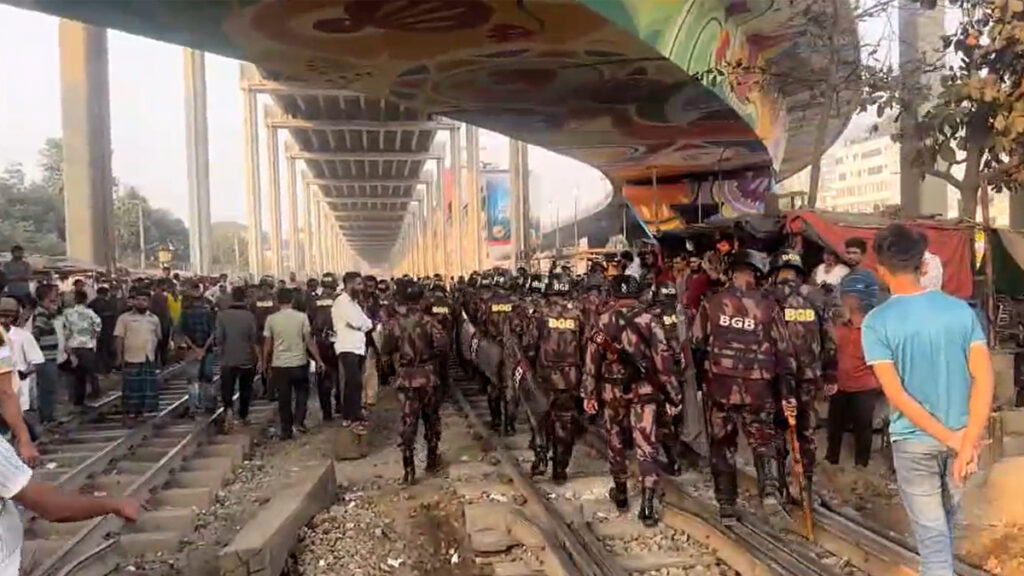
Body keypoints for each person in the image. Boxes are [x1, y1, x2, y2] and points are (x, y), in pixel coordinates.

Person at [862, 224, 993, 576]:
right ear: (922, 265)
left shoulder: (876, 323)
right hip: (962, 439)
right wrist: (967, 440)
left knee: (934, 540)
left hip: (915, 443)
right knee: (945, 527)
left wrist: (954, 440)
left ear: (881, 270)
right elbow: (984, 377)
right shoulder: (960, 312)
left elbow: (896, 394)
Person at [692, 250, 796, 523]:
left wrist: (702, 380)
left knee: (722, 443)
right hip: (758, 386)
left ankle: (726, 504)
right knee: (763, 438)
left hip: (720, 385)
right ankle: (770, 490)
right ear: (758, 274)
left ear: (730, 271)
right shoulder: (769, 307)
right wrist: (787, 391)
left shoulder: (712, 302)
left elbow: (696, 343)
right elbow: (784, 352)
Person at [584, 274, 682, 527]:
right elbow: (663, 361)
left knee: (615, 441)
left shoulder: (602, 321)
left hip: (612, 391)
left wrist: (589, 393)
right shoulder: (650, 320)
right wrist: (673, 395)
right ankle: (647, 505)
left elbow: (592, 361)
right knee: (646, 445)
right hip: (645, 391)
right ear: (639, 294)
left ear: (613, 294)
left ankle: (620, 494)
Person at [766, 250, 836, 502]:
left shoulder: (768, 297)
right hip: (809, 378)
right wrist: (831, 373)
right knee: (806, 432)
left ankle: (778, 487)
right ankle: (803, 485)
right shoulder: (816, 297)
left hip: (775, 378)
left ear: (775, 273)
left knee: (775, 431)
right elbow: (829, 338)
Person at [380, 279, 448, 484]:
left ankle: (408, 469)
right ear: (421, 299)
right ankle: (432, 460)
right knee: (431, 419)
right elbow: (443, 347)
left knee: (408, 422)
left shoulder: (394, 324)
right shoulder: (430, 322)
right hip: (428, 377)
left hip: (406, 378)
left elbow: (385, 352)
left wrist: (392, 373)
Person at [524, 272, 585, 484]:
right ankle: (560, 468)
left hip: (544, 376)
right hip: (571, 377)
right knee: (565, 422)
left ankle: (540, 457)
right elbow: (585, 346)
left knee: (539, 418)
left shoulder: (540, 314)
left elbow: (530, 346)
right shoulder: (577, 314)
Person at [826, 270, 881, 468]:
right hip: (839, 385)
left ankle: (861, 466)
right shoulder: (838, 325)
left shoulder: (874, 328)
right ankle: (831, 463)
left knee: (863, 428)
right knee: (834, 427)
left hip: (865, 387)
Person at [263, 288, 325, 440]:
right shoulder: (302, 317)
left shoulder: (271, 319)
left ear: (277, 301)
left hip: (279, 365)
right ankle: (299, 422)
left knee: (283, 398)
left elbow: (268, 345)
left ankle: (286, 430)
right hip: (299, 362)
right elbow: (309, 341)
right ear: (292, 300)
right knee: (302, 394)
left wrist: (264, 363)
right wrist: (318, 360)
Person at [331, 272, 373, 431]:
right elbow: (357, 323)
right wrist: (364, 325)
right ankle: (354, 416)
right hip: (347, 347)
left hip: (358, 347)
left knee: (353, 383)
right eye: (359, 284)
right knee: (354, 382)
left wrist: (365, 325)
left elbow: (367, 322)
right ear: (349, 285)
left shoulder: (354, 304)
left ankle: (349, 415)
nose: (362, 288)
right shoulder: (342, 302)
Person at [114, 289, 163, 423]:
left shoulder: (154, 319)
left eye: (144, 300)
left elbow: (158, 338)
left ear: (149, 303)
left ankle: (143, 413)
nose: (141, 303)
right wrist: (119, 356)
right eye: (138, 300)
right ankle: (130, 414)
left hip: (148, 358)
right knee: (131, 388)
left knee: (146, 388)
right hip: (131, 357)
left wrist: (157, 358)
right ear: (133, 301)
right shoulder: (124, 318)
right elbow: (119, 338)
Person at [215, 287, 260, 430]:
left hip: (228, 358)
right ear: (244, 298)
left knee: (227, 387)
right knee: (245, 388)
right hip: (246, 357)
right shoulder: (249, 316)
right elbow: (253, 338)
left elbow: (219, 338)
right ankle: (243, 415)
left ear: (232, 298)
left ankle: (228, 409)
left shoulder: (222, 315)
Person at [1, 298, 44, 443]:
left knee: (17, 425)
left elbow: (37, 361)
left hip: (18, 390)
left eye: (7, 316)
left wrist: (25, 373)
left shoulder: (23, 336)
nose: (3, 320)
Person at [177, 283, 217, 414]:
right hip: (207, 349)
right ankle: (208, 404)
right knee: (207, 377)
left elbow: (182, 333)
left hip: (191, 350)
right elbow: (213, 332)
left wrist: (195, 348)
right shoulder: (208, 312)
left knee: (192, 379)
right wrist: (203, 349)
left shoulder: (185, 313)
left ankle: (194, 405)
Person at [308, 273, 340, 421]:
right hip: (338, 341)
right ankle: (340, 404)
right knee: (340, 375)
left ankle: (326, 412)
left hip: (321, 342)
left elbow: (309, 322)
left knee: (323, 376)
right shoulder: (339, 300)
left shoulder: (314, 301)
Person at [63, 290, 103, 406]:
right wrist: (93, 338)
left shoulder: (67, 313)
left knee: (76, 375)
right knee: (90, 372)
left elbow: (65, 330)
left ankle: (77, 399)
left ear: (74, 299)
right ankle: (95, 393)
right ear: (86, 300)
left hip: (73, 346)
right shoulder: (90, 313)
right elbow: (98, 327)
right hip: (87, 345)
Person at [30, 284, 61, 425]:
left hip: (48, 356)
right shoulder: (41, 313)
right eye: (54, 293)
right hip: (45, 357)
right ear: (48, 296)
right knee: (47, 388)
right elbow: (36, 333)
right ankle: (47, 417)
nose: (56, 296)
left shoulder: (46, 312)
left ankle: (48, 416)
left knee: (48, 387)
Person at [89, 286, 119, 374]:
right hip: (107, 330)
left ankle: (99, 369)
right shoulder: (109, 303)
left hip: (97, 331)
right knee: (106, 350)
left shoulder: (92, 303)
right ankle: (106, 369)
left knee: (99, 351)